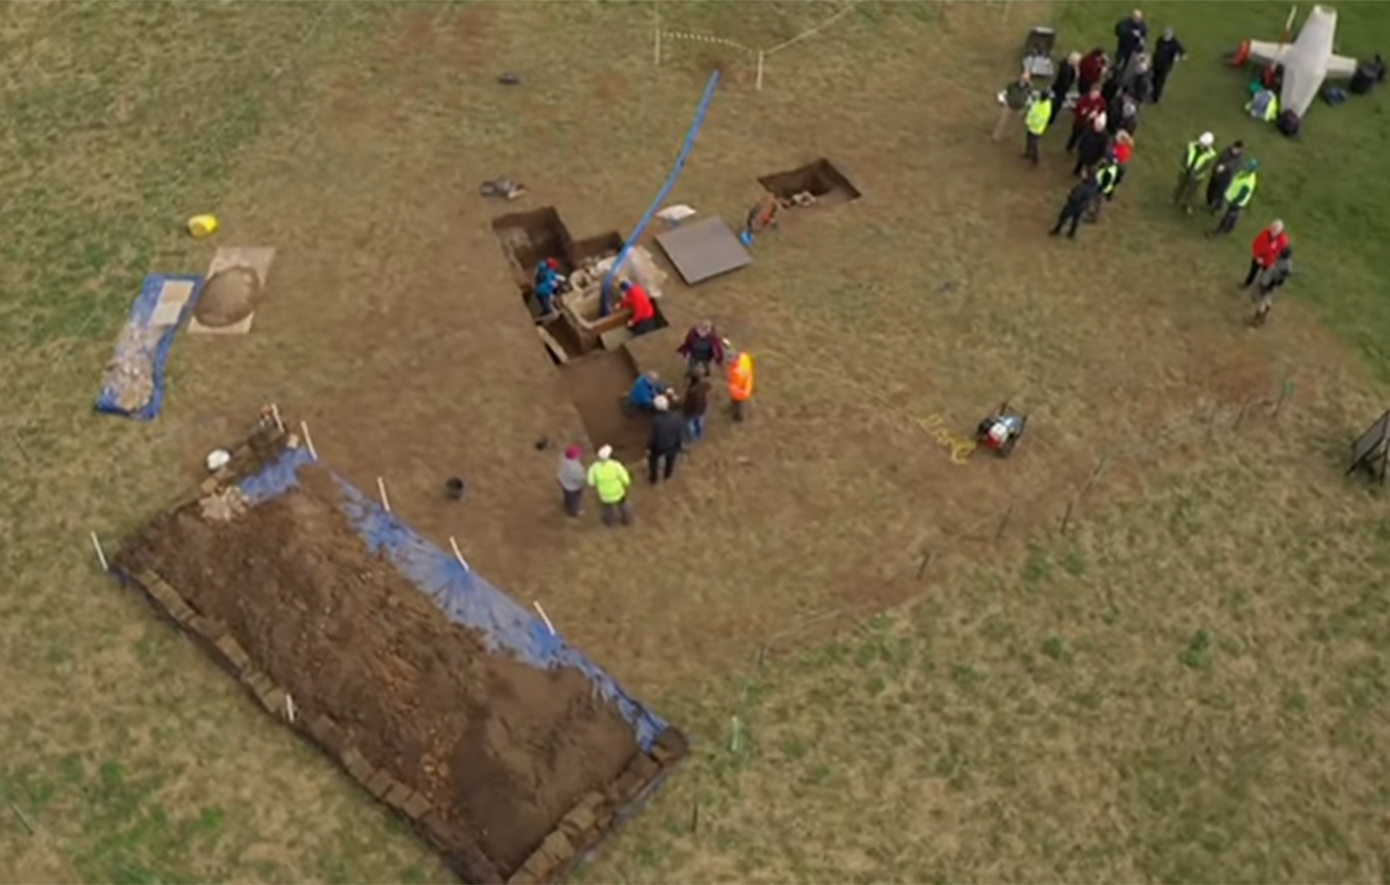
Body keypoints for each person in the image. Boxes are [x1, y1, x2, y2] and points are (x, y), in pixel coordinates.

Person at [1208, 159, 1259, 237]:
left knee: (1228, 215)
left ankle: (1219, 231)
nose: (1246, 167)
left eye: (1248, 167)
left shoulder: (1249, 181)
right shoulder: (1244, 173)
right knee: (1233, 216)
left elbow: (1242, 195)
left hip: (1237, 202)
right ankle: (1229, 228)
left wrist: (1234, 201)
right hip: (1232, 196)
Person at [586, 445, 633, 527]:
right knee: (624, 507)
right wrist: (626, 484)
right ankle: (627, 520)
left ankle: (610, 522)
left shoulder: (594, 468)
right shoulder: (615, 465)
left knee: (608, 509)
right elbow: (625, 478)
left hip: (605, 495)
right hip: (618, 492)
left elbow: (591, 482)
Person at [1049, 167, 1100, 239]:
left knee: (1063, 217)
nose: (1082, 174)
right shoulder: (1094, 185)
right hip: (1083, 205)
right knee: (1076, 219)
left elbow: (1075, 197)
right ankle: (1071, 233)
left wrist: (1070, 196)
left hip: (1074, 205)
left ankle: (1057, 230)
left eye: (1084, 173)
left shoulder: (1082, 187)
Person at [1173, 131, 1217, 213]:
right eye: (1201, 143)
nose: (1202, 146)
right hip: (1185, 170)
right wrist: (1183, 166)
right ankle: (1175, 199)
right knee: (1180, 186)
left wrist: (1196, 173)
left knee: (1192, 191)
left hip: (1197, 176)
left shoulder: (1211, 154)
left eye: (1204, 145)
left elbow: (1206, 167)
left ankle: (1187, 205)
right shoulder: (1191, 146)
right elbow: (1185, 157)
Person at [1250, 245, 1293, 327]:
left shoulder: (1286, 264)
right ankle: (1264, 313)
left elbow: (1282, 278)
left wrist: (1273, 282)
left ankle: (1258, 320)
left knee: (1263, 300)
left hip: (1272, 284)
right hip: (1268, 281)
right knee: (1265, 299)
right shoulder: (1282, 260)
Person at [647, 395, 684, 484]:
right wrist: (678, 444)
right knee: (670, 461)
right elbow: (679, 432)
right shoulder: (677, 417)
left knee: (653, 461)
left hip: (658, 446)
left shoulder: (656, 420)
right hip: (672, 445)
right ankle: (667, 475)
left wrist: (648, 447)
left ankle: (653, 478)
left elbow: (653, 436)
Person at [1243, 220, 1288, 288]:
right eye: (1273, 228)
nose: (1274, 230)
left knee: (1265, 276)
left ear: (1280, 231)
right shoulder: (1265, 233)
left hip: (1269, 261)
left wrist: (1270, 261)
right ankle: (1247, 284)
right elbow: (1256, 244)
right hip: (1259, 257)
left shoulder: (1282, 240)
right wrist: (1257, 256)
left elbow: (1278, 253)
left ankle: (1258, 289)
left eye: (1277, 229)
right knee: (1253, 272)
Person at [993, 69, 1033, 142]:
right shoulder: (1013, 84)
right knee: (1003, 121)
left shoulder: (1029, 88)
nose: (1024, 79)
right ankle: (996, 135)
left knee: (1014, 123)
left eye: (1026, 78)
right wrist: (1003, 101)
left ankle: (1008, 134)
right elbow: (1004, 92)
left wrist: (1026, 104)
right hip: (1009, 106)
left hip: (1020, 108)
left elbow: (1030, 97)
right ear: (1021, 77)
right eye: (1023, 77)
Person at [1206, 140, 1245, 212]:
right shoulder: (1227, 151)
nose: (1234, 150)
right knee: (1211, 189)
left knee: (1220, 193)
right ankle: (1210, 202)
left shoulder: (1239, 158)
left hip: (1225, 178)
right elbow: (1220, 159)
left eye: (1237, 149)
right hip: (1216, 174)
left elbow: (1233, 165)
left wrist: (1224, 167)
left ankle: (1216, 207)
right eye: (1234, 147)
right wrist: (1215, 168)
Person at [1066, 84, 1106, 153]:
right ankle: (1069, 148)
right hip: (1080, 122)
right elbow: (1076, 110)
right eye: (1094, 93)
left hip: (1090, 125)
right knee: (1075, 135)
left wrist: (1096, 114)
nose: (1095, 96)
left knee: (1085, 138)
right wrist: (1083, 112)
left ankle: (1080, 149)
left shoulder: (1101, 101)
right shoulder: (1084, 99)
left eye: (1097, 94)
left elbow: (1102, 109)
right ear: (1090, 92)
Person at [1150, 26, 1186, 103]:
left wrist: (1177, 57)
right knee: (1153, 78)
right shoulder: (1160, 40)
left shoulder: (1174, 43)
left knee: (1160, 82)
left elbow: (1183, 53)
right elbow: (1157, 49)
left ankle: (1156, 98)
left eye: (1166, 35)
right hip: (1156, 62)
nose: (1164, 36)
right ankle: (1152, 91)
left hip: (1165, 66)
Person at [725, 341, 755, 423]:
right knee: (735, 401)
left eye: (729, 361)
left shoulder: (737, 372)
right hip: (742, 388)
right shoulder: (743, 357)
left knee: (738, 405)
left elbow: (736, 385)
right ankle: (732, 407)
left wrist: (732, 388)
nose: (728, 362)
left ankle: (738, 417)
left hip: (740, 392)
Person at [1087, 154, 1121, 222]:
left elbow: (1105, 182)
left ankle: (1095, 218)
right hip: (1103, 188)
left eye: (1106, 159)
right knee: (1096, 201)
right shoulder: (1112, 167)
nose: (1103, 160)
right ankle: (1094, 213)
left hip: (1102, 189)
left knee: (1099, 203)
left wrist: (1099, 188)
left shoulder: (1109, 171)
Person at [1022, 90, 1052, 166]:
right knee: (1028, 140)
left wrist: (1030, 123)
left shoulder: (1046, 107)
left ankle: (1036, 159)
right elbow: (1032, 110)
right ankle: (1028, 153)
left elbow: (1041, 119)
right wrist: (1027, 119)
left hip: (1037, 129)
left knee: (1035, 144)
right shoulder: (1038, 101)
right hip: (1030, 125)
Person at [1050, 52, 1081, 125]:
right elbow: (1066, 83)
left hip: (1058, 87)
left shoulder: (1065, 65)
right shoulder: (1068, 71)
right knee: (1056, 105)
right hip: (1060, 90)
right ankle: (1051, 118)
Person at [557, 445, 586, 518]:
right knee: (574, 500)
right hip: (573, 487)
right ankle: (574, 512)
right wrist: (583, 482)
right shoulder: (575, 467)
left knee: (567, 496)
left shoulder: (563, 458)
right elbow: (580, 478)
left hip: (564, 482)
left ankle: (566, 505)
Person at [681, 372, 710, 444]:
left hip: (692, 410)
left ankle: (692, 436)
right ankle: (700, 434)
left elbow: (687, 403)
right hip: (702, 407)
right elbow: (709, 387)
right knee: (700, 421)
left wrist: (684, 410)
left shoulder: (691, 391)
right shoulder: (703, 384)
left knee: (690, 424)